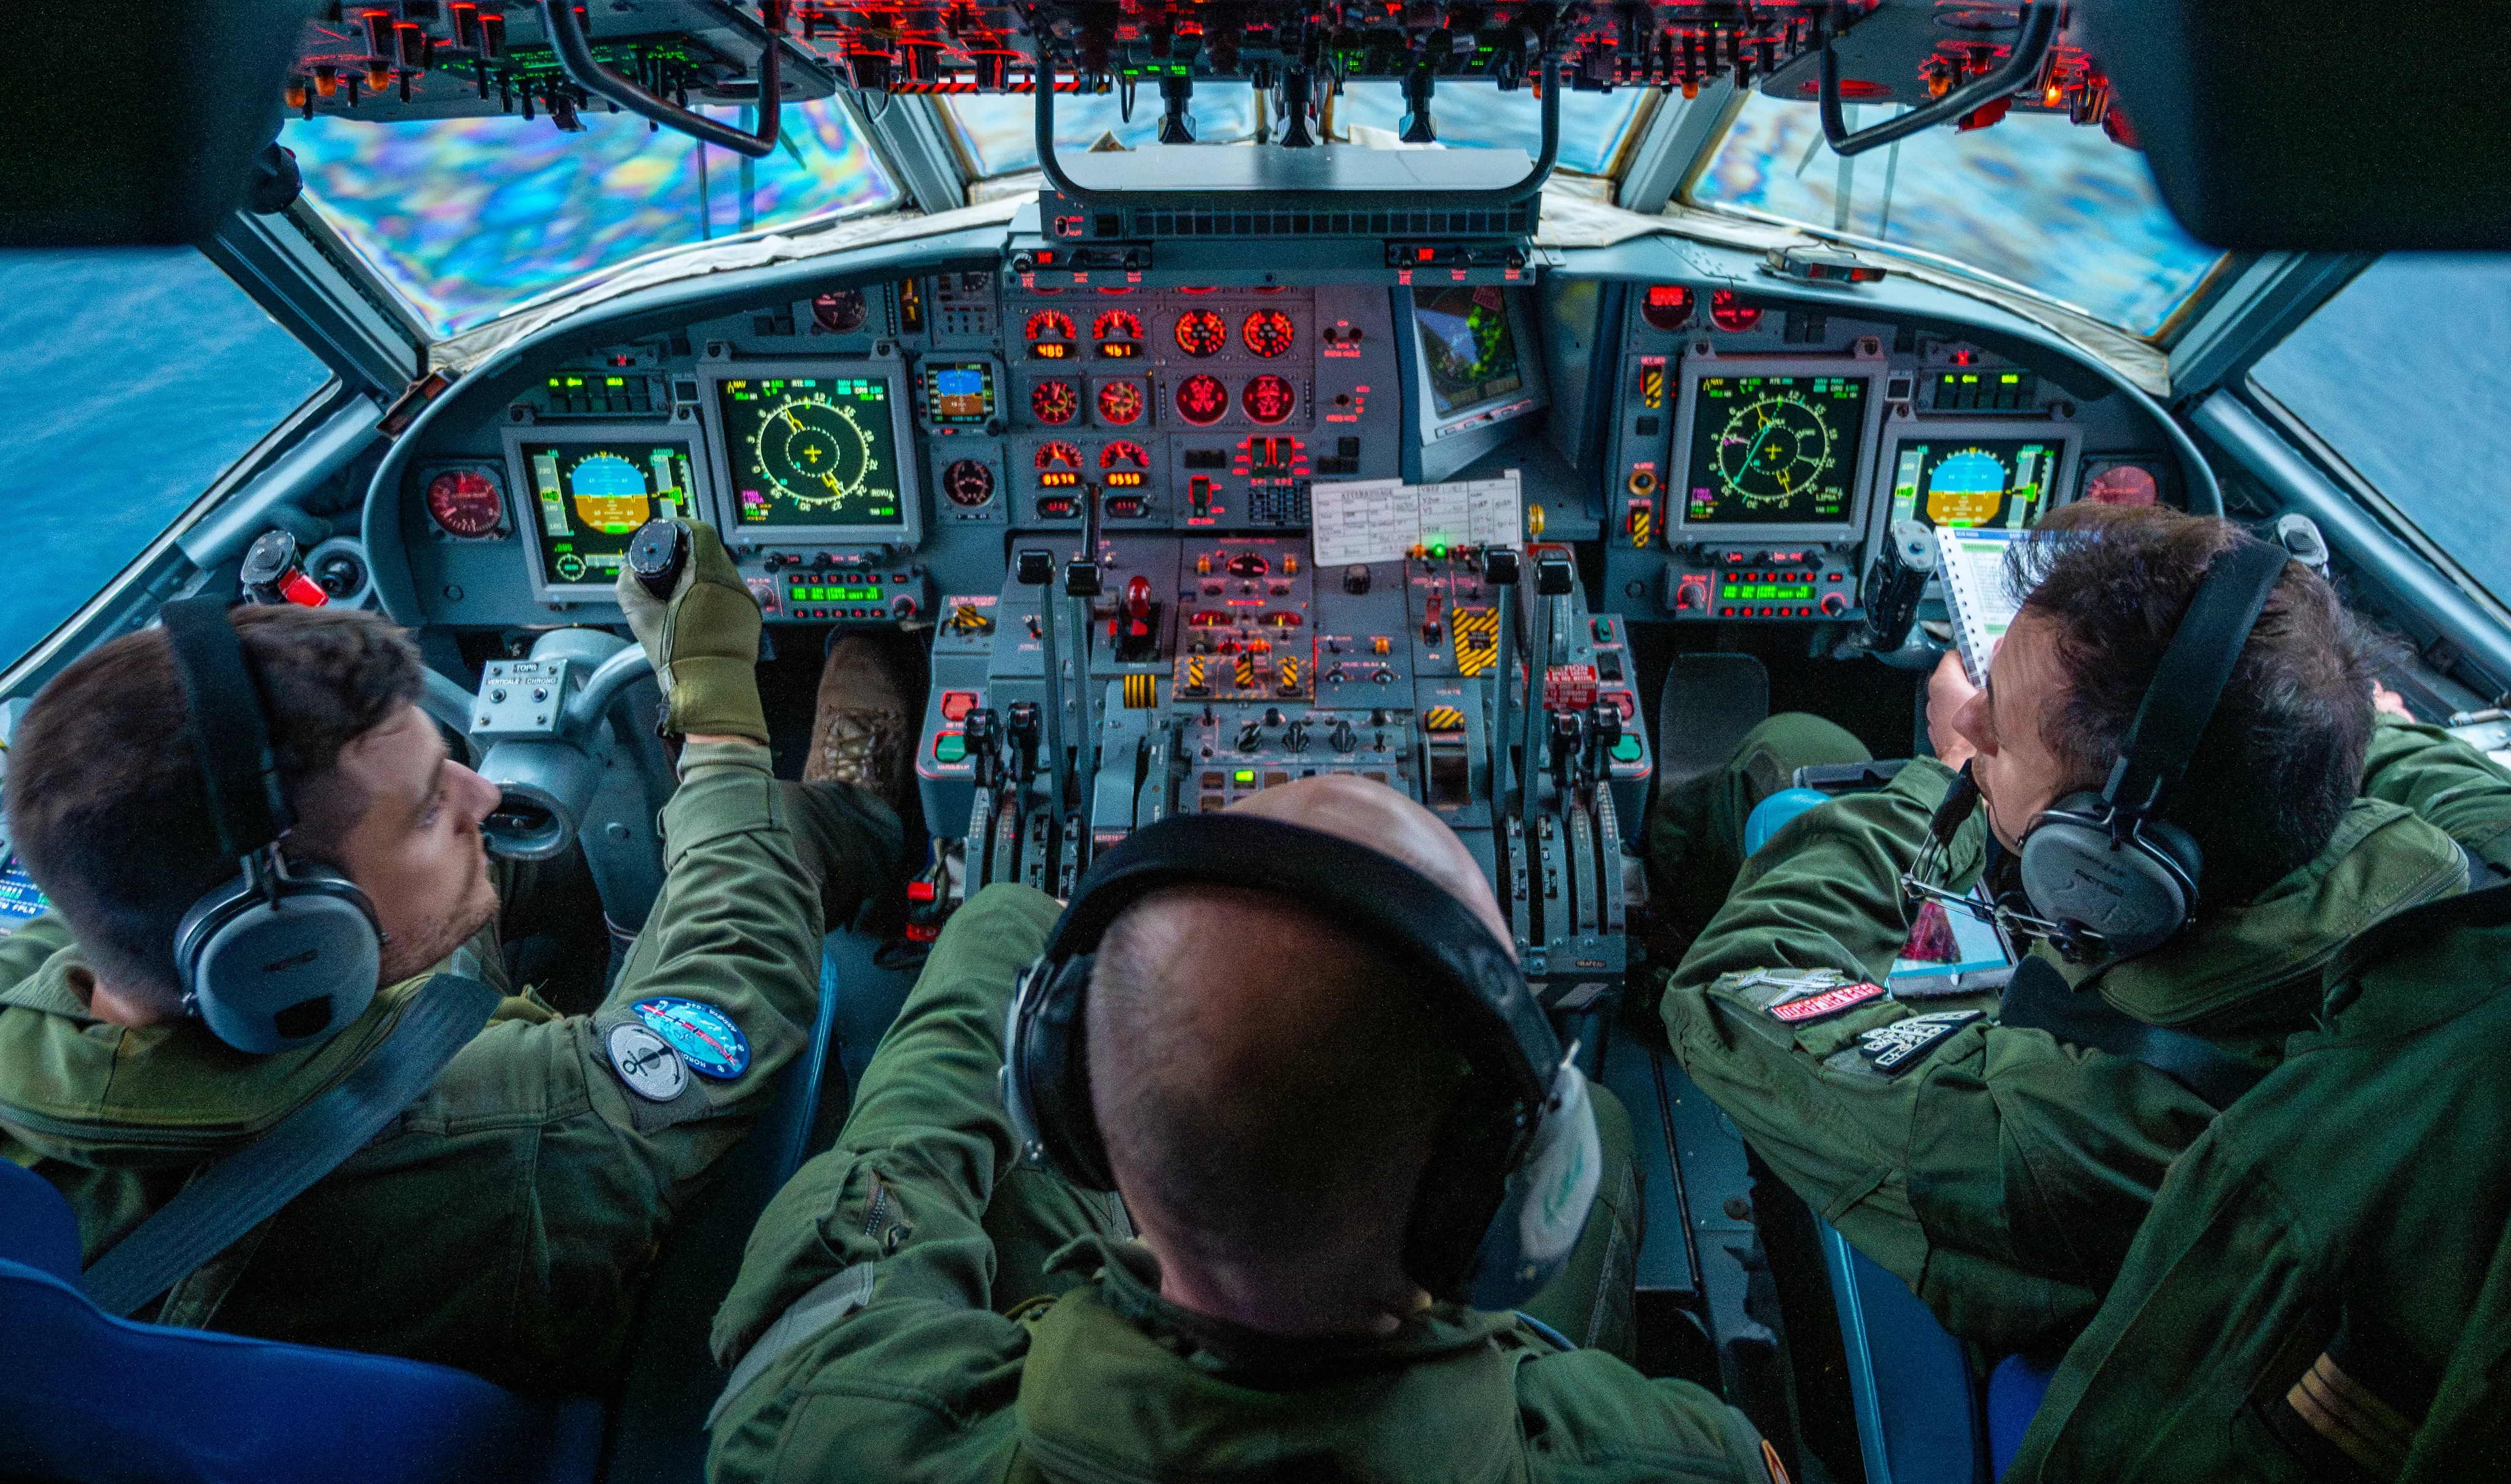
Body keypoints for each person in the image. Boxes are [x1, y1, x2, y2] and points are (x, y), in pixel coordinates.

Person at [1652, 503, 2511, 1360]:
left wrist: (1947, 771)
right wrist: (2037, 739)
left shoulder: (2054, 1137)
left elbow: (1741, 980)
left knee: (1797, 755)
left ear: (2103, 872)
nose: (1973, 711)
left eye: (2000, 723)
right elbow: (2347, 726)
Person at [0, 520, 912, 1392]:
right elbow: (731, 981)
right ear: (295, 947)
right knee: (774, 833)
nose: (485, 790)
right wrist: (719, 729)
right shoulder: (508, 1143)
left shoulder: (68, 952)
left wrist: (424, 821)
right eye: (431, 807)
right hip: (584, 1326)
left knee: (530, 859)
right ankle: (859, 810)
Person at [707, 775, 1779, 1483]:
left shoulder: (826, 1425)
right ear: (1508, 1182)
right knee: (1603, 1106)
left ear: (1058, 1098)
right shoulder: (1685, 1460)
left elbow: (851, 1235)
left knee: (998, 921)